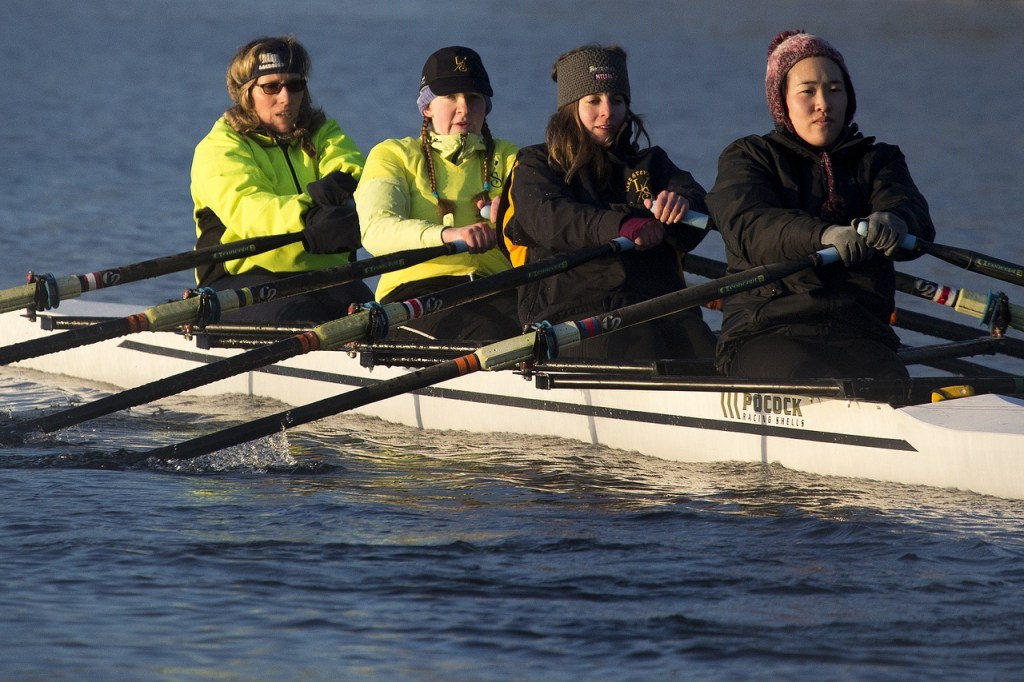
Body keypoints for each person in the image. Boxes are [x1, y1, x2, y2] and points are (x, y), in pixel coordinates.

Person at [706, 30, 936, 380]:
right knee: (812, 379)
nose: (823, 104)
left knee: (893, 384)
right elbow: (751, 227)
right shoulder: (748, 158)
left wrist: (894, 220)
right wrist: (824, 234)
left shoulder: (879, 160)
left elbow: (910, 209)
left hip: (861, 332)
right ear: (781, 101)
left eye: (834, 90)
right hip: (767, 331)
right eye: (807, 91)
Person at [499, 44, 716, 361]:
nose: (607, 111)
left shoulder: (651, 163)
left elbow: (700, 208)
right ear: (570, 107)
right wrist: (622, 225)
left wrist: (681, 203)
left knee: (712, 354)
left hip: (660, 302)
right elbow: (547, 218)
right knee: (645, 347)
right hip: (573, 308)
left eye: (617, 100)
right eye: (594, 100)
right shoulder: (537, 163)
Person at [190, 35, 373, 322]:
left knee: (373, 316)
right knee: (303, 315)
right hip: (241, 278)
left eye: (295, 85)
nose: (285, 97)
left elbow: (356, 171)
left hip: (325, 275)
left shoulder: (323, 132)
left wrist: (346, 192)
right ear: (246, 92)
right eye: (271, 87)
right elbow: (250, 211)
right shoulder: (221, 147)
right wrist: (309, 214)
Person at [355, 46, 520, 342]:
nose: (464, 108)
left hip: (497, 286)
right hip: (415, 290)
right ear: (427, 107)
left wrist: (514, 218)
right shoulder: (392, 155)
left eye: (473, 97)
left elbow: (545, 227)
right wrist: (448, 235)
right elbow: (376, 231)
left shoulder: (513, 157)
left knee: (536, 327)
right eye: (450, 97)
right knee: (490, 333)